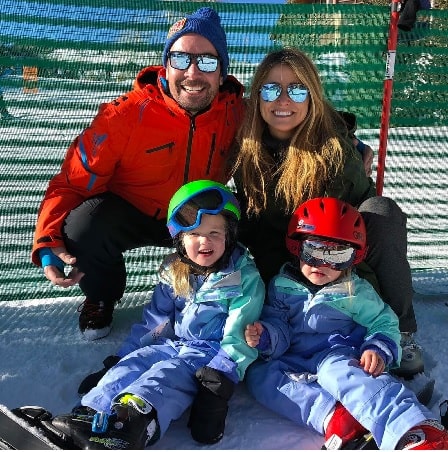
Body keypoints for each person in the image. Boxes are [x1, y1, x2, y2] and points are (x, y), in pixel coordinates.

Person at [30, 7, 246, 340]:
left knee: (254, 213)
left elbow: (297, 122)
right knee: (82, 227)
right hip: (134, 210)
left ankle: (232, 299)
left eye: (206, 62)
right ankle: (101, 295)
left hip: (197, 215)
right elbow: (72, 183)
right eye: (180, 59)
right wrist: (47, 241)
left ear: (221, 73)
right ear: (165, 64)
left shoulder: (237, 112)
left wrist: (353, 144)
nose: (192, 73)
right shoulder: (125, 116)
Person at [231, 47, 423, 378]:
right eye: (272, 89)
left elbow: (351, 226)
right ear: (258, 96)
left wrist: (347, 279)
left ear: (312, 97)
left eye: (296, 89)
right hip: (280, 259)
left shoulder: (333, 151)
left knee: (382, 212)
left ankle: (398, 330)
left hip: (338, 255)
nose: (283, 100)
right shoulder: (246, 150)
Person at [49, 180, 265, 449]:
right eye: (194, 233)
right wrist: (121, 358)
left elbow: (239, 335)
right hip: (171, 344)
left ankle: (132, 425)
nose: (204, 241)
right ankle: (90, 413)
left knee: (165, 375)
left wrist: (220, 378)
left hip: (207, 357)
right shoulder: (175, 272)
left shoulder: (244, 279)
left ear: (229, 235)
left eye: (215, 233)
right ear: (180, 239)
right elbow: (156, 321)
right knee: (134, 364)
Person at [244, 197, 448, 450]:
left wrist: (378, 347)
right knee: (258, 376)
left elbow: (383, 321)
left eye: (337, 254)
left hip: (336, 354)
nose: (323, 264)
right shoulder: (281, 285)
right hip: (292, 356)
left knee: (340, 374)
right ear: (298, 247)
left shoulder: (353, 291)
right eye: (314, 251)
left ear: (352, 258)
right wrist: (266, 336)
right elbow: (278, 323)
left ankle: (413, 428)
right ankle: (336, 416)